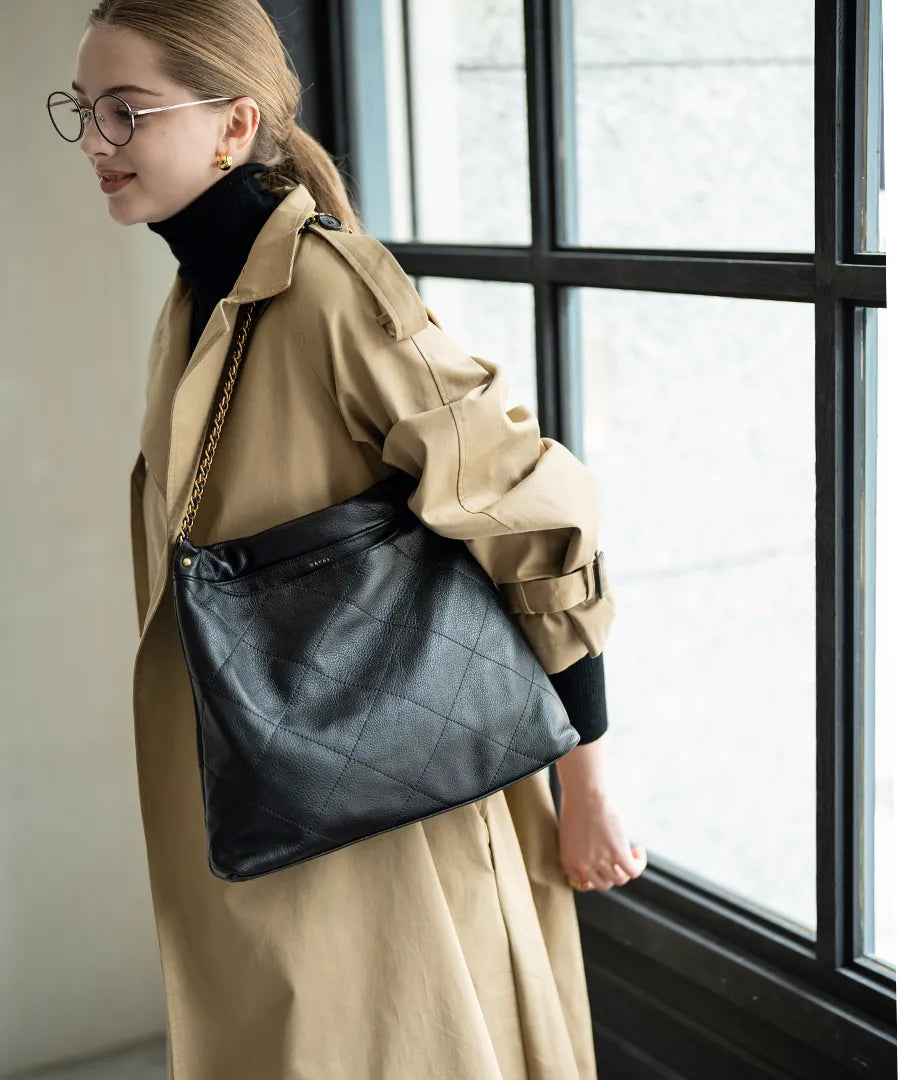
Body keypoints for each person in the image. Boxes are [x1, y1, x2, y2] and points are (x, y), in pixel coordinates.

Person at [56, 1, 647, 1076]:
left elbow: (532, 507)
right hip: (277, 794)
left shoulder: (328, 290)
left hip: (387, 811)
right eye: (83, 110)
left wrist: (590, 781)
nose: (95, 142)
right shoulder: (203, 296)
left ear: (233, 128)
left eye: (125, 111)